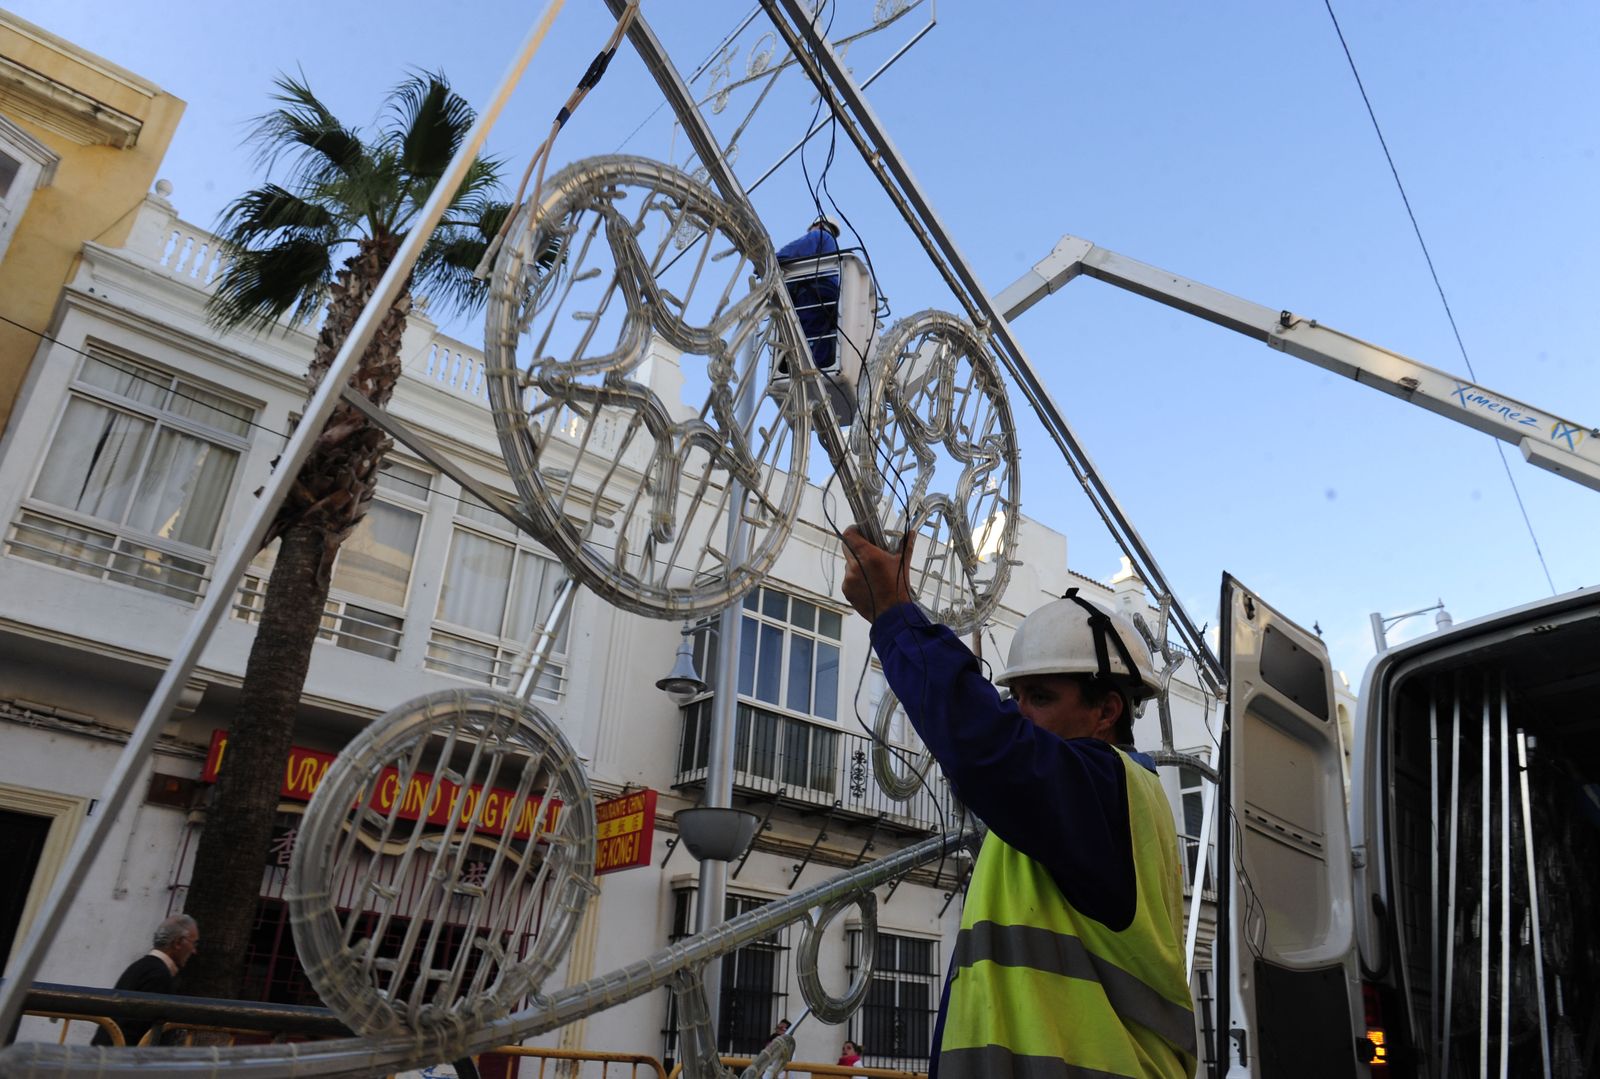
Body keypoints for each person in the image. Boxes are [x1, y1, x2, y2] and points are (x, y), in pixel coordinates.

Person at [840, 527, 1196, 1078]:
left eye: (1044, 698)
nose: (1022, 713)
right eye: (1017, 696)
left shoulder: (1107, 789)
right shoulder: (1069, 810)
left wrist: (894, 613)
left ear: (1106, 712)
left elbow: (987, 746)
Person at [90, 914, 199, 1047]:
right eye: (193, 943)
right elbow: (140, 1029)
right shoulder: (158, 975)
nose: (194, 951)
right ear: (177, 943)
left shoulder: (142, 967)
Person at [775, 214, 842, 373]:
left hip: (813, 294)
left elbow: (794, 251)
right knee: (820, 335)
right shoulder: (833, 250)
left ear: (817, 225)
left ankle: (806, 369)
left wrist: (770, 261)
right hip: (827, 296)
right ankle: (818, 367)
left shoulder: (820, 235)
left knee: (806, 334)